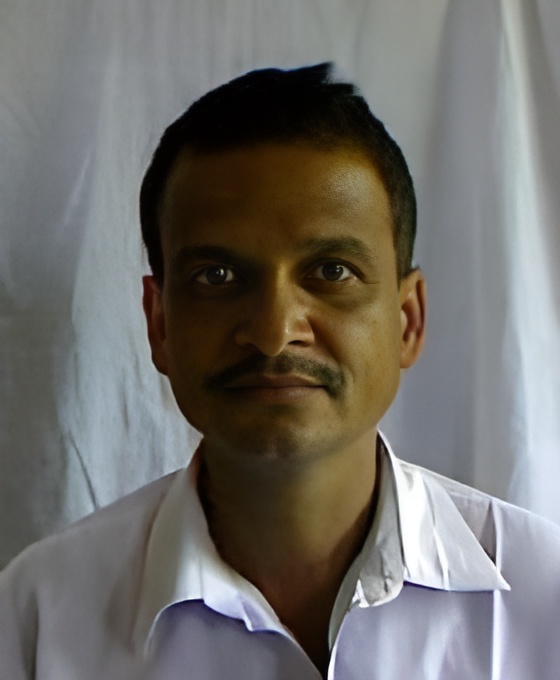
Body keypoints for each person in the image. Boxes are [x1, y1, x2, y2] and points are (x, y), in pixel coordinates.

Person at [1, 63, 559, 680]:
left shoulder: (545, 597)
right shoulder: (36, 620)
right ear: (159, 323)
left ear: (407, 320)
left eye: (331, 271)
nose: (273, 331)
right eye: (217, 276)